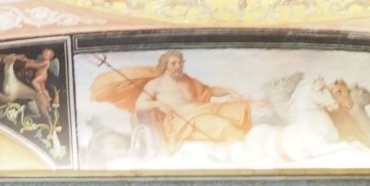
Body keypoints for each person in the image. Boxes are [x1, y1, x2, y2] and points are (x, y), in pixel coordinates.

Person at [92, 50, 253, 156]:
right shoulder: (155, 84)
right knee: (224, 125)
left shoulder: (187, 80)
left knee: (237, 110)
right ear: (165, 66)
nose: (178, 66)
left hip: (202, 109)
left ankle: (247, 141)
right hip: (183, 120)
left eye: (180, 63)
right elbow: (140, 105)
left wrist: (230, 91)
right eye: (173, 63)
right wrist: (159, 105)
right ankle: (248, 150)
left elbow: (209, 91)